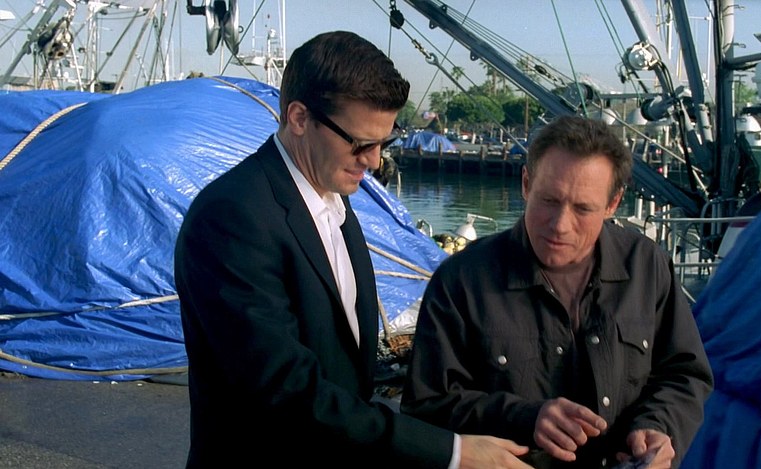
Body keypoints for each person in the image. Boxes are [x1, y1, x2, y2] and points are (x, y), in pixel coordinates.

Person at [174, 30, 534, 469]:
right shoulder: (232, 216)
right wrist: (453, 452)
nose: (375, 160)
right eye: (361, 143)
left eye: (385, 142)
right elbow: (285, 389)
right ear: (299, 117)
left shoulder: (333, 199)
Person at [400, 116, 713, 469]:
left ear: (613, 204)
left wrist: (657, 427)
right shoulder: (461, 281)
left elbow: (684, 373)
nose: (560, 225)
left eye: (583, 209)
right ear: (526, 184)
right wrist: (524, 418)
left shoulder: (647, 266)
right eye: (549, 200)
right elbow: (425, 407)